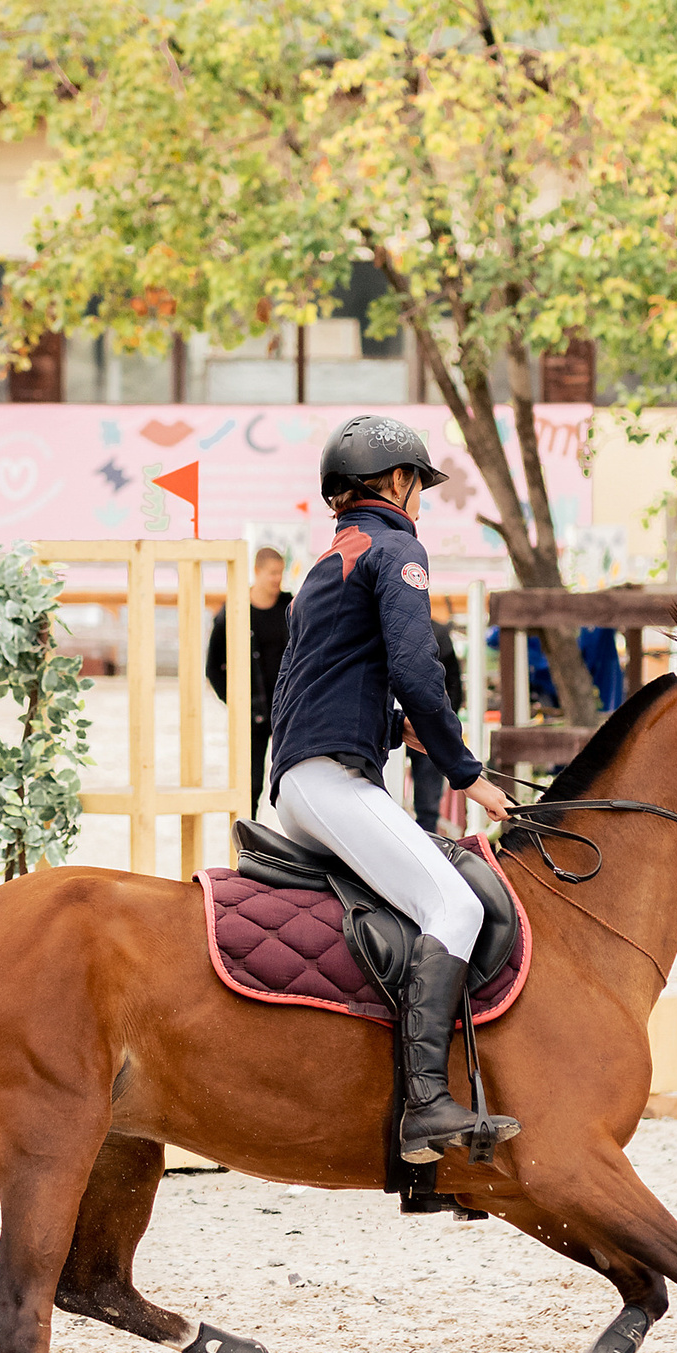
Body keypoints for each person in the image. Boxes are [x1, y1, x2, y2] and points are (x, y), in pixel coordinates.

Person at [270, 415, 518, 1166]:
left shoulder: (327, 563)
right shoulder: (399, 547)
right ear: (398, 482)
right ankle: (425, 1105)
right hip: (329, 780)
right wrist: (467, 772)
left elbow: (316, 680)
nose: (422, 503)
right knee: (458, 903)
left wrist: (390, 728)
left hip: (302, 775)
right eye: (420, 488)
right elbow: (418, 670)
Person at [205, 545, 291, 819]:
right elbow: (213, 667)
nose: (277, 579)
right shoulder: (234, 610)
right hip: (250, 713)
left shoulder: (290, 607)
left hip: (287, 712)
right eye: (272, 573)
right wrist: (235, 702)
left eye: (280, 573)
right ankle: (247, 840)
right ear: (256, 572)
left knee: (290, 784)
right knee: (249, 785)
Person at [409, 614, 462, 832]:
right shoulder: (438, 632)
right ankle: (427, 840)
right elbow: (455, 684)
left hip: (417, 718)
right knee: (427, 805)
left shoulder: (437, 633)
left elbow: (454, 685)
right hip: (427, 719)